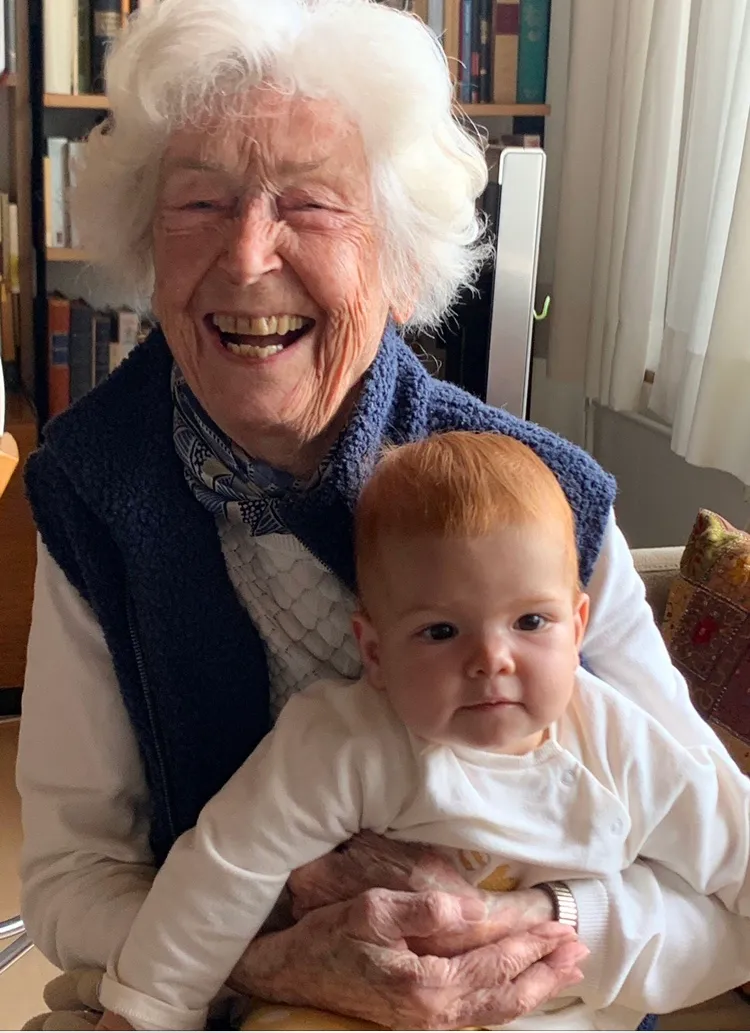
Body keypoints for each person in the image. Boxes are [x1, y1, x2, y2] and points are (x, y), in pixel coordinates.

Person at [16, 0, 750, 1030]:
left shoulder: (541, 502)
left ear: (400, 263)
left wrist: (525, 924)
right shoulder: (97, 487)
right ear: (147, 245)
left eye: (311, 204)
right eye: (200, 203)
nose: (246, 256)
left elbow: (721, 898)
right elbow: (70, 879)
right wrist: (275, 960)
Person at [91, 432, 750, 1032]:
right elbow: (225, 869)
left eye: (530, 622)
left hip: (553, 1009)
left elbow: (734, 843)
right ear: (375, 652)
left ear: (578, 628)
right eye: (441, 631)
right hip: (352, 999)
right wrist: (144, 1013)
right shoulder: (347, 739)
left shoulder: (619, 745)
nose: (491, 659)